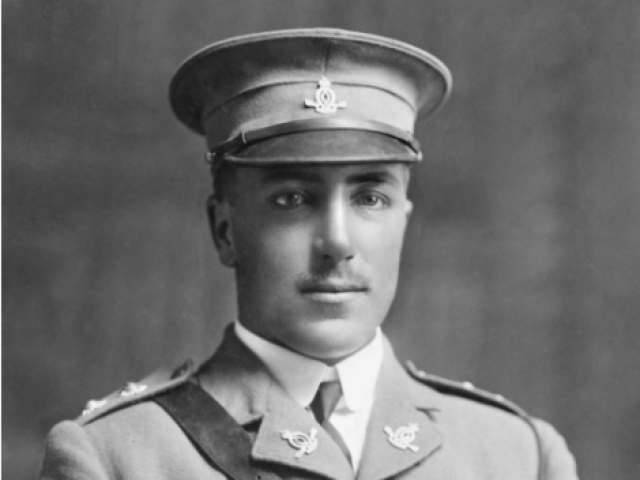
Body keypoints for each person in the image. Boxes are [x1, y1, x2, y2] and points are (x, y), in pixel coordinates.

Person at [40, 28, 579, 480]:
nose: (338, 242)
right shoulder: (119, 458)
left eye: (370, 197)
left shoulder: (518, 456)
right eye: (292, 199)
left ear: (403, 223)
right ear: (224, 231)